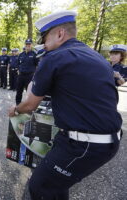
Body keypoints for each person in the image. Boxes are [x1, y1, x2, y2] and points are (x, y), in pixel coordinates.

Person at [8, 11, 122, 200]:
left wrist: (16, 109)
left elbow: (30, 105)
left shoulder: (55, 57)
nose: (43, 44)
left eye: (44, 38)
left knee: (40, 186)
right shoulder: (95, 57)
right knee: (57, 184)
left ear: (60, 34)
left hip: (83, 144)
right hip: (106, 140)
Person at [15, 39, 38, 104]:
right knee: (19, 90)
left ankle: (28, 105)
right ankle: (18, 104)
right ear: (25, 45)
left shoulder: (34, 54)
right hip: (21, 75)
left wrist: (35, 76)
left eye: (29, 44)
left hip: (29, 76)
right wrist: (18, 70)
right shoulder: (21, 54)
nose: (28, 45)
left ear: (32, 45)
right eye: (26, 44)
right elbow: (18, 64)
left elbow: (37, 66)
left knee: (29, 92)